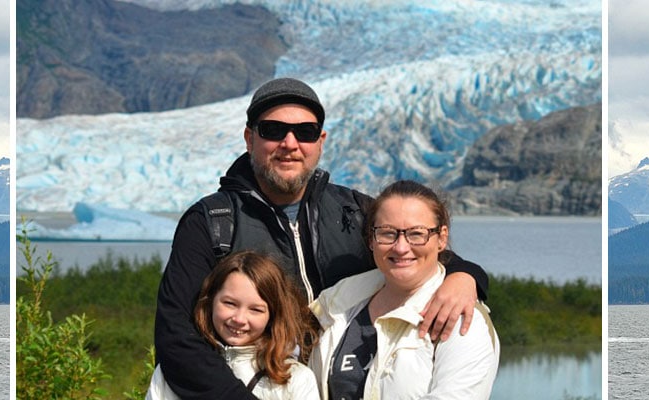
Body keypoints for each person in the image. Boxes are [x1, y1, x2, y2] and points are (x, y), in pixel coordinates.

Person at [154, 77, 490, 399]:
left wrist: (466, 276)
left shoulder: (355, 210)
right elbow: (175, 336)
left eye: (305, 132)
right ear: (249, 138)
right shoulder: (212, 223)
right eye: (273, 131)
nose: (290, 143)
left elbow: (417, 251)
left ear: (321, 141)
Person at [309, 180, 499, 399]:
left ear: (442, 238)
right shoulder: (337, 304)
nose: (401, 247)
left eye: (417, 234)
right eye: (388, 233)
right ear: (371, 239)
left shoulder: (462, 319)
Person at [147, 251, 319, 400]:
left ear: (273, 316)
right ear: (211, 300)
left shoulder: (295, 378)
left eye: (256, 310)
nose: (239, 318)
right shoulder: (176, 370)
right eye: (230, 303)